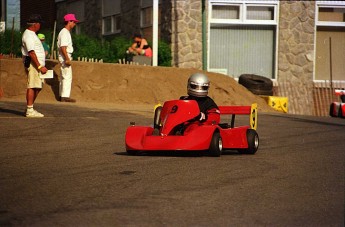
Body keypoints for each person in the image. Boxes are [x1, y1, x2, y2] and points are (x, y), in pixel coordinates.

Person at [21, 14, 48, 118]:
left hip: (37, 64)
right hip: (33, 64)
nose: (40, 26)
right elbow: (31, 52)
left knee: (38, 86)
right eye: (39, 23)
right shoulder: (28, 35)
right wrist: (40, 66)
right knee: (32, 85)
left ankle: (30, 107)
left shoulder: (32, 34)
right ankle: (29, 109)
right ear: (35, 24)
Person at [57, 13, 78, 103]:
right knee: (67, 76)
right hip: (65, 56)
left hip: (64, 56)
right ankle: (65, 96)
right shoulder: (65, 32)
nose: (74, 24)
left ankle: (62, 96)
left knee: (63, 76)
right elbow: (63, 47)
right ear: (69, 22)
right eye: (73, 22)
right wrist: (67, 58)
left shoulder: (64, 32)